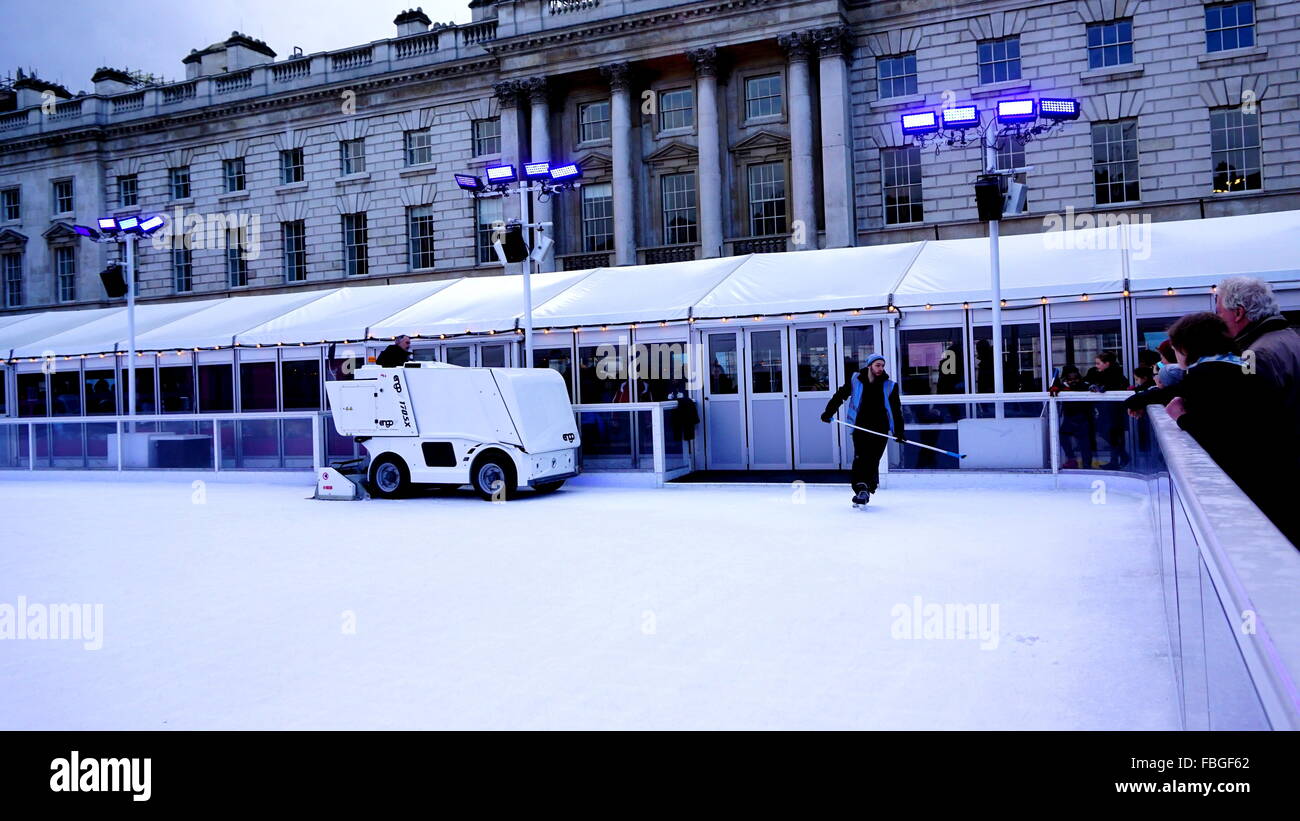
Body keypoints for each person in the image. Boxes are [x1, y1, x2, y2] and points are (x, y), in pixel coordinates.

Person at [1162, 311, 1298, 547]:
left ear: (1186, 347)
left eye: (1174, 349)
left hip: (1251, 480)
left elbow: (1216, 432)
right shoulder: (1240, 365)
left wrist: (1181, 417)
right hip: (1278, 469)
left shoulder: (1204, 375)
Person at [821, 353, 905, 506]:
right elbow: (840, 396)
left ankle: (866, 488)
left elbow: (895, 410)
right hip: (859, 426)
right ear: (869, 366)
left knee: (872, 460)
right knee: (860, 459)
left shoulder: (889, 385)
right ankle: (861, 489)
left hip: (880, 429)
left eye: (882, 365)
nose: (880, 368)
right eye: (877, 365)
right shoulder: (856, 380)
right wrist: (828, 412)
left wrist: (899, 432)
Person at [1215, 276, 1300, 421]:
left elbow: (1251, 415)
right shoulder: (1292, 338)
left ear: (1238, 313)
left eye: (1219, 313)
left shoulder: (1253, 355)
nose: (1217, 319)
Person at [1085, 351, 1129, 468]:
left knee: (1111, 434)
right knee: (1108, 434)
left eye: (1098, 363)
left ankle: (1118, 459)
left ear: (1107, 363)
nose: (1096, 366)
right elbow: (1087, 382)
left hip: (1114, 411)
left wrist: (1103, 388)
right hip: (1106, 410)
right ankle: (1120, 458)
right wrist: (1092, 386)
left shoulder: (1116, 375)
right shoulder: (1096, 373)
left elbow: (1119, 386)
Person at [1050, 365, 1094, 469]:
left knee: (1084, 442)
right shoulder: (1063, 386)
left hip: (1082, 417)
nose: (1073, 381)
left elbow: (1088, 387)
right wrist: (1055, 387)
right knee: (1064, 436)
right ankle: (1072, 459)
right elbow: (1053, 389)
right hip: (1070, 416)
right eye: (1070, 379)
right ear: (1066, 378)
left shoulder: (1083, 385)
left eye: (1076, 378)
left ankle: (1086, 464)